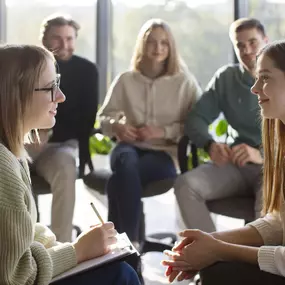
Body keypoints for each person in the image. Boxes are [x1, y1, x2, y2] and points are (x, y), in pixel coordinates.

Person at [0, 44, 140, 285]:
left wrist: (69, 248)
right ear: (17, 94)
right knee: (122, 275)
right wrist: (78, 252)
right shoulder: (4, 168)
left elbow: (25, 232)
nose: (61, 96)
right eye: (50, 87)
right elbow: (16, 275)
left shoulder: (13, 153)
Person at [161, 39, 285, 285]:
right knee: (214, 265)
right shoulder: (280, 140)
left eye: (266, 78)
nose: (255, 88)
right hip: (235, 169)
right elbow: (279, 222)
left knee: (218, 268)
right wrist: (211, 241)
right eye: (257, 77)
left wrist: (218, 250)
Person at [98, 18, 201, 276]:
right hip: (128, 148)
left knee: (117, 182)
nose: (158, 48)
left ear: (171, 47)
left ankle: (123, 253)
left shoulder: (184, 82)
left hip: (163, 155)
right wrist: (118, 127)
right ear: (142, 45)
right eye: (152, 42)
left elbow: (195, 125)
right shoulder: (126, 79)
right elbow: (104, 118)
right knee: (126, 162)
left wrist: (162, 131)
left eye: (164, 43)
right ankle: (132, 246)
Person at [174, 18, 268, 232]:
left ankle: (256, 262)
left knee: (268, 203)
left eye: (253, 42)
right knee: (186, 185)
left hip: (273, 167)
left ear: (266, 41)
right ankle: (213, 256)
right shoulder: (226, 78)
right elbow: (196, 119)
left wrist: (261, 155)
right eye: (240, 45)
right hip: (234, 165)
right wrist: (210, 145)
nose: (247, 50)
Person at [26, 14, 98, 242]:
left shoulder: (87, 70)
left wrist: (49, 131)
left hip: (60, 145)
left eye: (69, 38)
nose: (64, 45)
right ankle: (22, 240)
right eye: (57, 38)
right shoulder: (25, 67)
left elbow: (85, 119)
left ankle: (61, 246)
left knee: (67, 165)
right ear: (43, 39)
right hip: (23, 141)